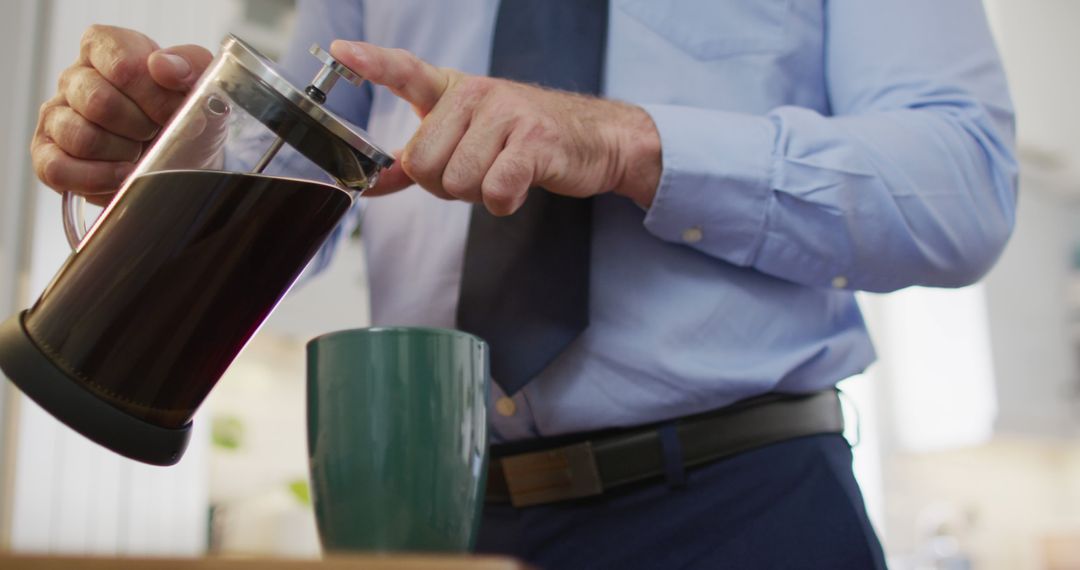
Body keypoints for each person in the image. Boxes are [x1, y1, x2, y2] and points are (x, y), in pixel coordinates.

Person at [30, 0, 1016, 567]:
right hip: (434, 531)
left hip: (747, 519)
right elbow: (300, 172)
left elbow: (965, 188)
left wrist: (631, 141)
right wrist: (179, 149)